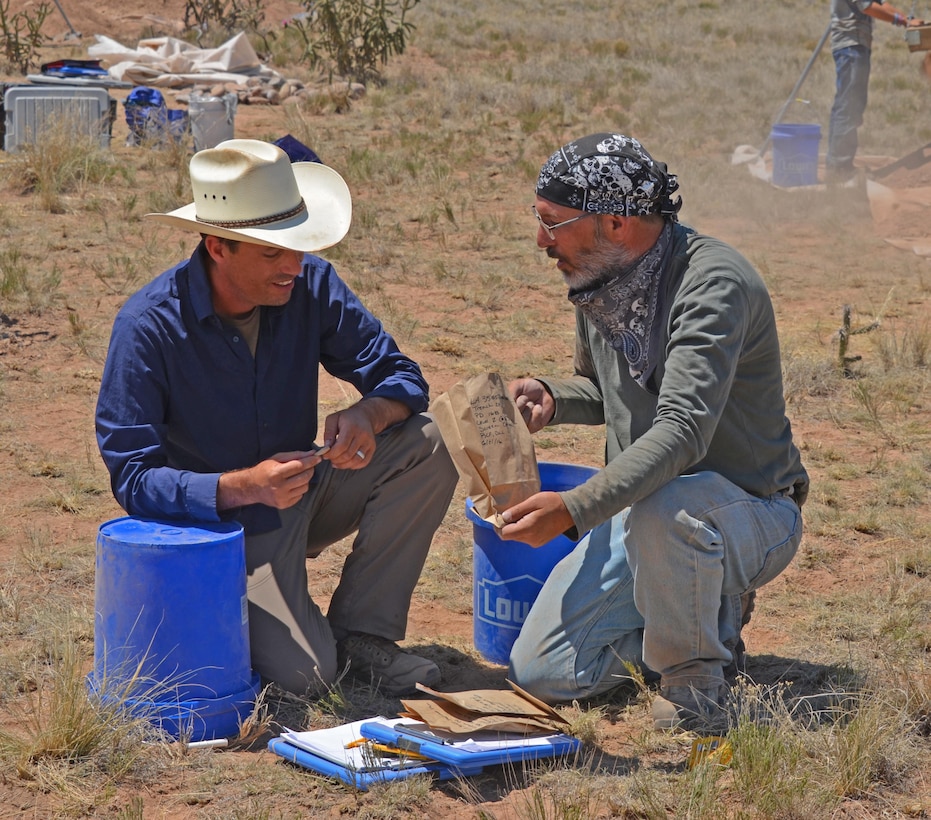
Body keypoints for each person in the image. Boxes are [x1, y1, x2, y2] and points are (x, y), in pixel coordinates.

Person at [95, 139, 458, 698]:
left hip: (301, 492)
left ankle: (364, 638)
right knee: (306, 676)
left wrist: (369, 412)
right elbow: (134, 480)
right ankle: (265, 610)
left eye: (297, 245)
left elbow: (402, 377)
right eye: (271, 253)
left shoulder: (309, 284)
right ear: (218, 246)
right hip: (219, 533)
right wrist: (244, 487)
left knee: (428, 442)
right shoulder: (148, 327)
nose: (293, 265)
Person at [500, 133, 809, 730]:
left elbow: (684, 427)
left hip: (745, 509)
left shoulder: (713, 285)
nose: (541, 241)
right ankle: (691, 607)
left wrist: (574, 508)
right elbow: (609, 394)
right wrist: (551, 396)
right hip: (641, 510)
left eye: (552, 223)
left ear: (615, 223)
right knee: (545, 673)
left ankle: (694, 678)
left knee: (669, 510)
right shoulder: (601, 277)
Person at [826, 0, 925, 180]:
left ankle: (838, 166)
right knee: (849, 106)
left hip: (856, 44)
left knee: (850, 105)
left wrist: (907, 19)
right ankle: (839, 169)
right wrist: (903, 21)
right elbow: (868, 7)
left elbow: (881, 4)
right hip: (850, 45)